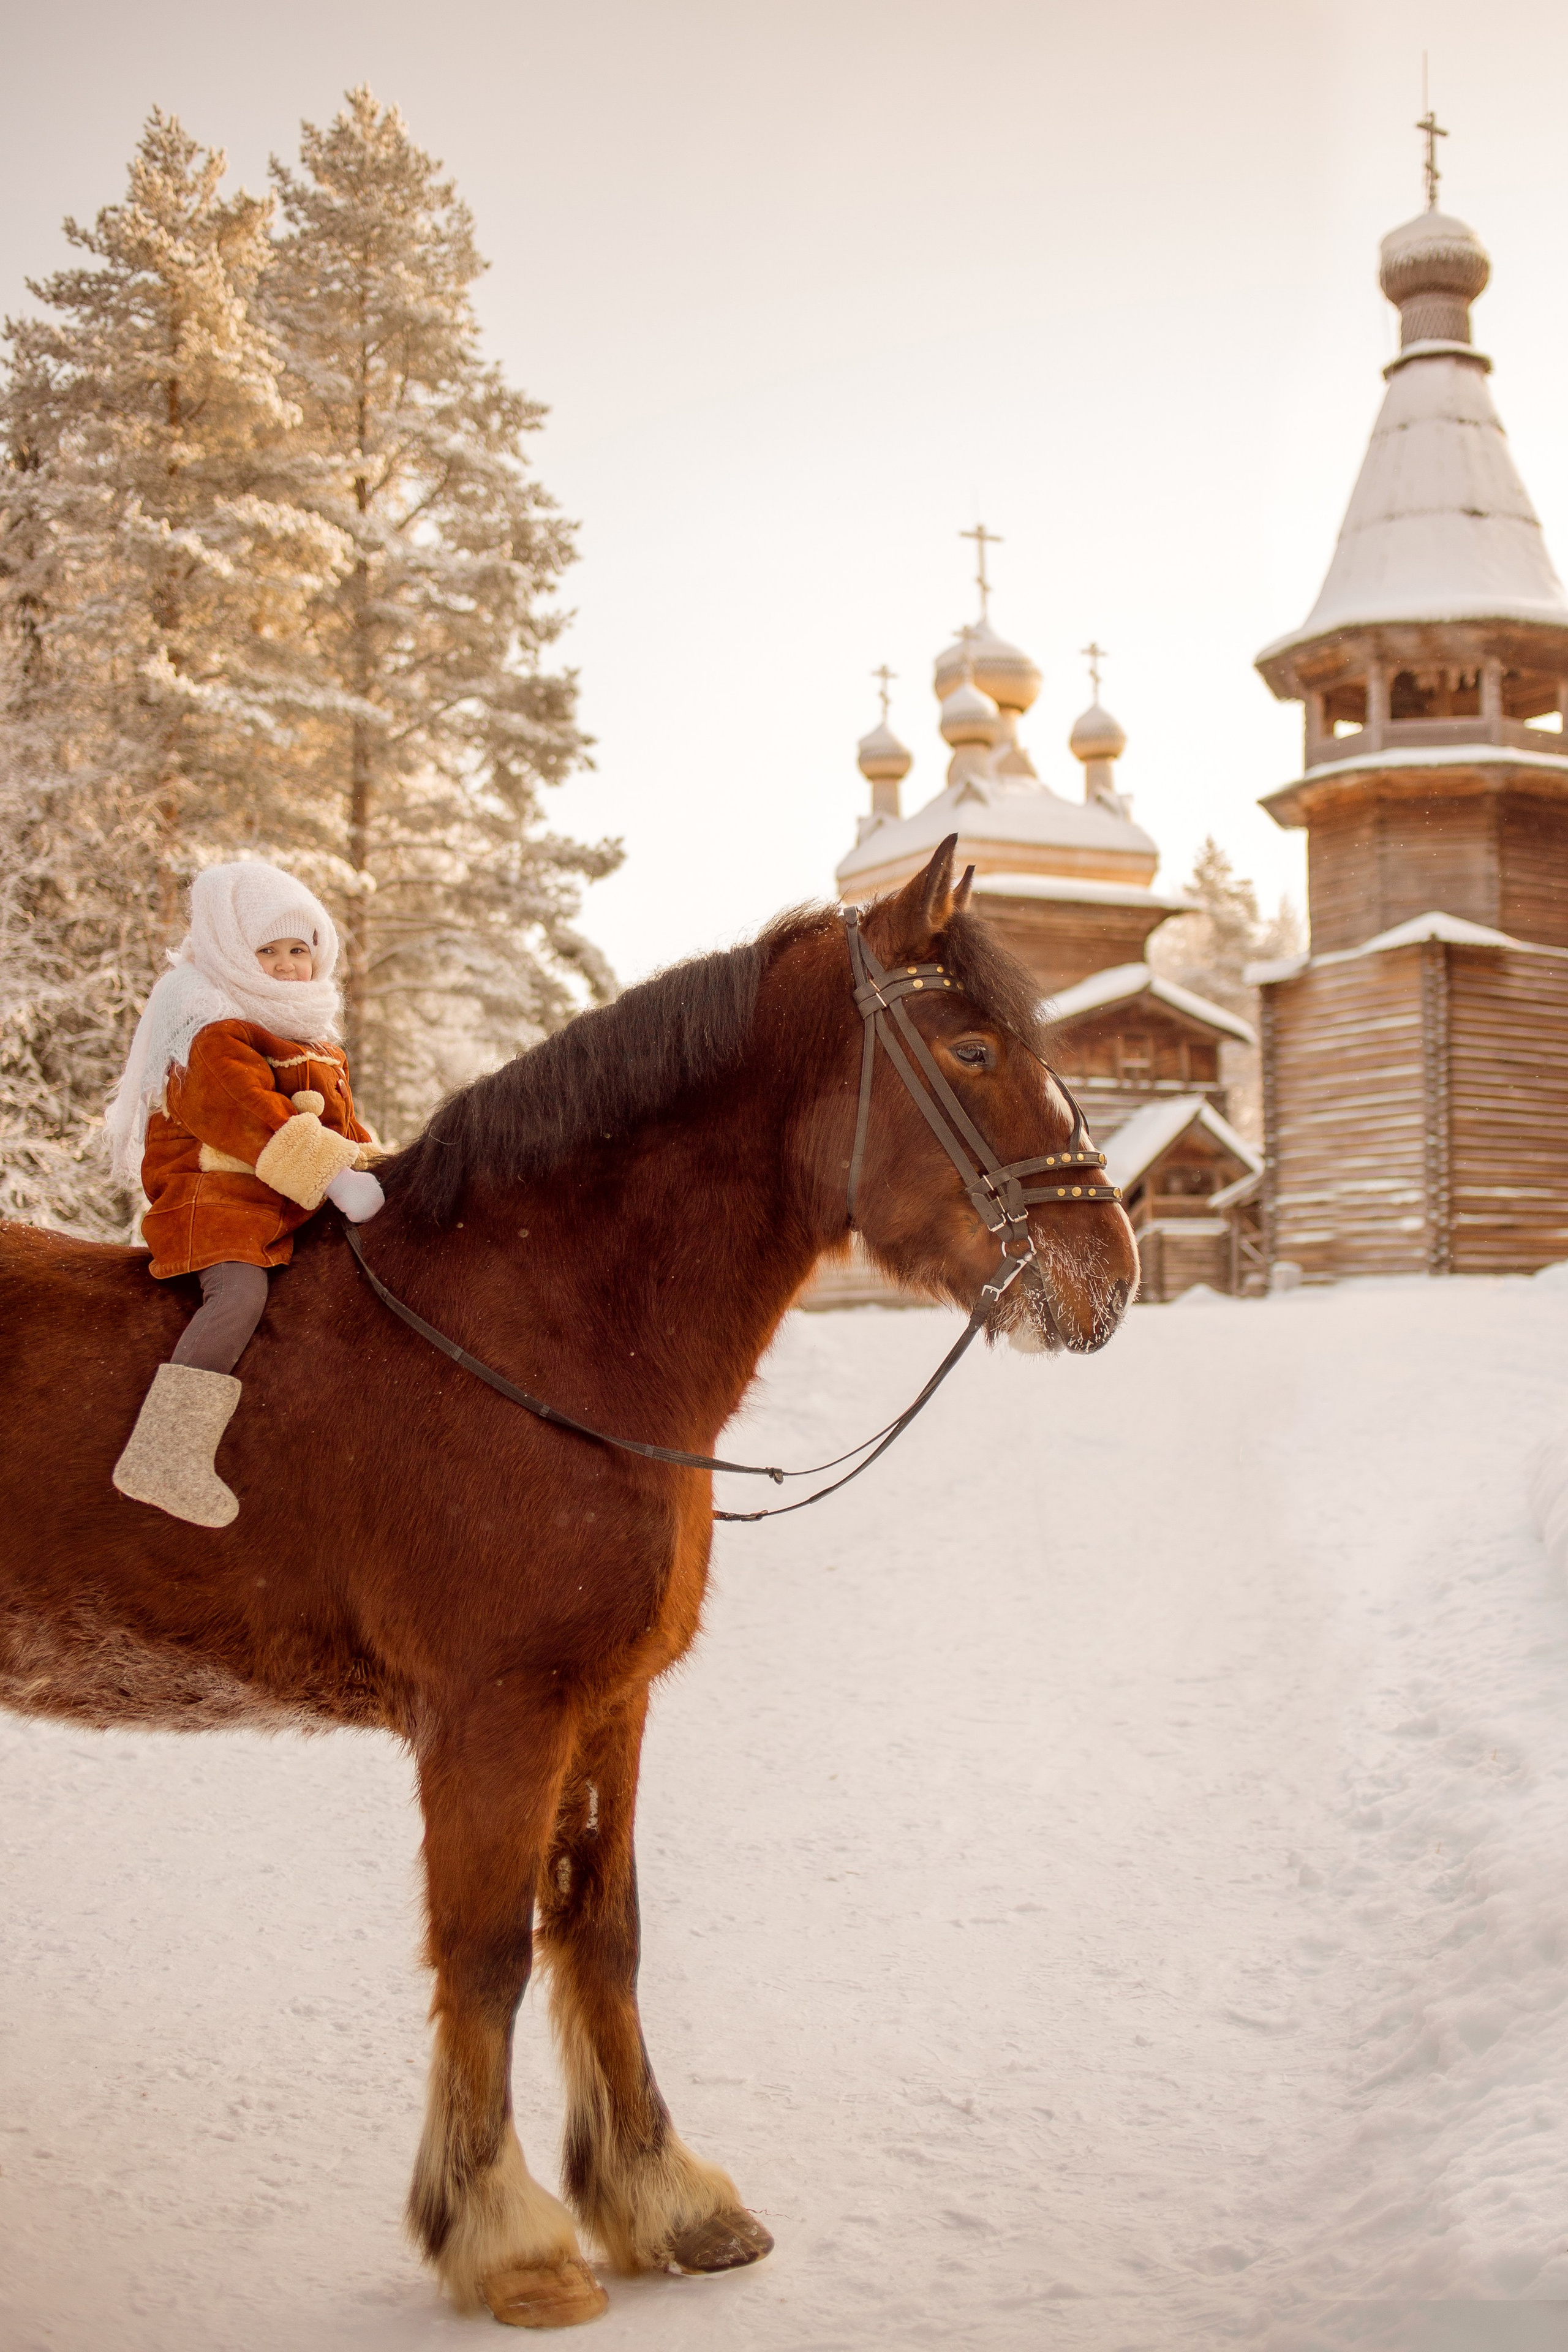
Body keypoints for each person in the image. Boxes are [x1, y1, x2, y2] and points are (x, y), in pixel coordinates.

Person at [106, 861, 385, 1530]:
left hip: (286, 1205)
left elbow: (346, 1131)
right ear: (233, 952)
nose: (287, 966)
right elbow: (250, 1116)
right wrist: (336, 1177)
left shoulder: (314, 1040)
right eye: (268, 951)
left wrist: (388, 1171)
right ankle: (166, 1452)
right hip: (216, 1203)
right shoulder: (210, 1030)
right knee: (239, 1295)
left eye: (299, 950)